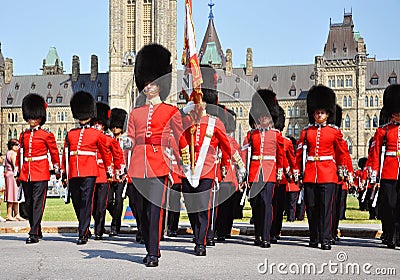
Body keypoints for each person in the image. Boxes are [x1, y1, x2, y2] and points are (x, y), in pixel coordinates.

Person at [127, 44, 189, 267]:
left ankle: (153, 252)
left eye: (152, 83)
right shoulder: (135, 113)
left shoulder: (171, 111)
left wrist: (183, 166)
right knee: (141, 211)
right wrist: (126, 142)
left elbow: (179, 140)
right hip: (138, 165)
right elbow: (132, 138)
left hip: (159, 164)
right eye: (145, 83)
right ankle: (149, 245)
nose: (148, 87)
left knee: (155, 210)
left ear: (160, 85)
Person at [294, 85, 348, 250]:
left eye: (322, 112)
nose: (319, 115)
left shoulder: (334, 132)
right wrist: (297, 170)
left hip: (328, 174)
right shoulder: (306, 132)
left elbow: (341, 153)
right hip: (311, 172)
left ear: (328, 114)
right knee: (311, 207)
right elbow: (299, 153)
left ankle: (325, 239)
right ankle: (314, 236)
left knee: (326, 208)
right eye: (317, 112)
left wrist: (342, 169)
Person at [62, 91, 113, 245]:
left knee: (86, 202)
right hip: (74, 171)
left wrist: (109, 170)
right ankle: (84, 226)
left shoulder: (96, 134)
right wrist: (64, 173)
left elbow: (105, 153)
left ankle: (82, 232)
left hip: (90, 171)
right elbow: (65, 155)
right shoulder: (71, 134)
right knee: (77, 201)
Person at [241, 89, 284, 248]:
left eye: (267, 116)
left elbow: (280, 155)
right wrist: (243, 174)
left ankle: (266, 236)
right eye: (261, 116)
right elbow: (245, 153)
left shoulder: (276, 135)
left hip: (269, 172)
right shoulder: (252, 135)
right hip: (254, 172)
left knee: (266, 203)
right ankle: (258, 233)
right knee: (256, 204)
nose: (264, 118)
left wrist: (279, 170)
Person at [15, 93, 60, 244]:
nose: (32, 120)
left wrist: (57, 168)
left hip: (41, 172)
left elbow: (54, 153)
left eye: (35, 117)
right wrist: (17, 171)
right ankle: (37, 228)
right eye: (30, 117)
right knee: (28, 203)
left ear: (40, 117)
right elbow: (20, 155)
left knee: (37, 203)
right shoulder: (23, 135)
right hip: (26, 172)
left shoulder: (46, 135)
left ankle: (33, 232)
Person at [369, 84, 400, 249]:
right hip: (388, 171)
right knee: (388, 204)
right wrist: (374, 174)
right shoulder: (383, 131)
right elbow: (375, 154)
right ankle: (388, 233)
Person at [92, 102, 123, 240]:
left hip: (111, 174)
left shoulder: (113, 140)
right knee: (101, 203)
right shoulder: (92, 137)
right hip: (97, 173)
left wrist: (118, 171)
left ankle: (109, 227)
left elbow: (119, 156)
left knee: (113, 202)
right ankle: (104, 224)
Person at [4, 139, 24, 221]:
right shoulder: (12, 153)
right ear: (12, 146)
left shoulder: (9, 153)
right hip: (12, 175)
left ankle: (16, 214)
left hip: (11, 174)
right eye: (16, 145)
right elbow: (15, 164)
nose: (18, 147)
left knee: (15, 194)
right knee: (11, 194)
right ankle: (9, 214)